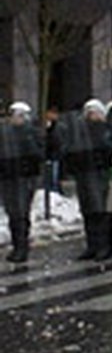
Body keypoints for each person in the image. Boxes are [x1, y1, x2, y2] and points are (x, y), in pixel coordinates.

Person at [63, 99, 112, 261]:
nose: (91, 116)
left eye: (94, 113)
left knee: (98, 211)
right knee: (88, 211)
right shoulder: (80, 131)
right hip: (83, 173)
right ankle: (92, 245)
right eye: (89, 113)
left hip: (99, 174)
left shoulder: (106, 129)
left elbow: (110, 149)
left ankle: (103, 247)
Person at [0, 102, 43, 263]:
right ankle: (16, 245)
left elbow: (38, 154)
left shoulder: (31, 133)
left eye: (16, 116)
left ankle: (22, 247)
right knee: (12, 212)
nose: (13, 119)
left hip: (25, 178)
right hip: (8, 177)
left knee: (21, 212)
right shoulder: (6, 134)